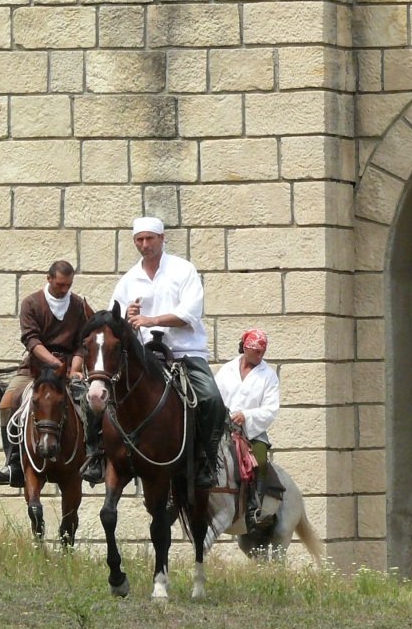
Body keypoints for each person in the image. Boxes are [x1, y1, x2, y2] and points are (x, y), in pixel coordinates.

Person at [88, 216, 227, 488]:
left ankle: (208, 460)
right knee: (95, 393)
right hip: (143, 355)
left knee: (211, 399)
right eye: (139, 240)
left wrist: (151, 320)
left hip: (185, 352)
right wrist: (126, 318)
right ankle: (97, 454)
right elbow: (111, 323)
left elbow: (190, 313)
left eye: (150, 238)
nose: (144, 245)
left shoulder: (183, 270)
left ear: (162, 239)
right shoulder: (129, 279)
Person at [0, 260, 95, 486]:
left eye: (68, 285)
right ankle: (14, 463)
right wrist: (54, 363)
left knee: (94, 401)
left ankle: (94, 457)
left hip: (68, 368)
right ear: (49, 279)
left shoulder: (78, 305)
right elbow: (31, 340)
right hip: (35, 368)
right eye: (60, 285)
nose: (65, 290)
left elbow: (82, 343)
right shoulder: (31, 303)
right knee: (7, 404)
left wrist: (75, 369)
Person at [215, 328, 281, 531]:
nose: (261, 355)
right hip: (223, 426)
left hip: (251, 430)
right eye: (257, 351)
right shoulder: (227, 369)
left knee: (259, 458)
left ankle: (254, 507)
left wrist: (246, 416)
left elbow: (271, 409)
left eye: (263, 351)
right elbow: (214, 395)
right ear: (245, 348)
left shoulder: (268, 376)